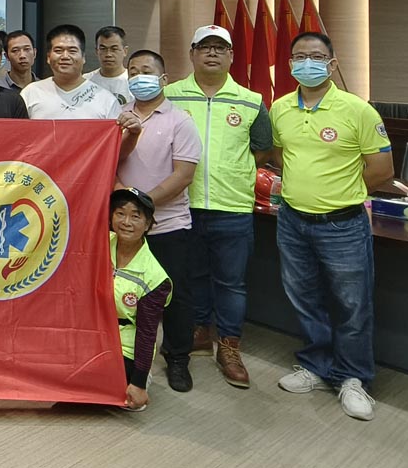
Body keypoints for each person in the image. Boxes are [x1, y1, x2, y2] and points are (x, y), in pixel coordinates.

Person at [271, 31, 393, 422]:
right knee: (304, 298)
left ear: (332, 64)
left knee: (351, 304)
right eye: (299, 56)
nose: (307, 63)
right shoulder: (280, 108)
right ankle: (316, 365)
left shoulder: (358, 110)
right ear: (290, 64)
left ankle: (353, 378)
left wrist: (339, 193)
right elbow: (281, 156)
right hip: (292, 221)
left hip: (343, 224)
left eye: (316, 56)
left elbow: (382, 170)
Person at [164, 24, 271, 387]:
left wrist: (231, 173)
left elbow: (262, 150)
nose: (212, 53)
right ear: (192, 54)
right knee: (189, 276)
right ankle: (198, 331)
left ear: (231, 56)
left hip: (233, 206)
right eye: (204, 47)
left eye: (219, 48)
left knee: (232, 283)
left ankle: (229, 345)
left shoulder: (251, 100)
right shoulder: (170, 95)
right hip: (182, 204)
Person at [117, 50, 201, 393]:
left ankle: (178, 358)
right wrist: (125, 207)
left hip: (168, 224)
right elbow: (107, 162)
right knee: (121, 292)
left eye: (147, 71)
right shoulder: (119, 116)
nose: (140, 77)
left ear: (164, 79)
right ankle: (123, 355)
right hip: (122, 226)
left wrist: (143, 206)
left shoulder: (180, 120)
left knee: (174, 295)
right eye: (133, 71)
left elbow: (183, 175)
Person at [110, 187, 172, 413]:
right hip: (92, 334)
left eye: (135, 216)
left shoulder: (155, 278)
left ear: (147, 224)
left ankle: (141, 377)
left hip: (124, 345)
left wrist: (138, 383)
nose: (126, 222)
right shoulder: (98, 244)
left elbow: (147, 333)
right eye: (120, 213)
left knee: (112, 389)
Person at [20, 25, 122, 120]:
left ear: (83, 57)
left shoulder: (106, 99)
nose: (65, 56)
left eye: (72, 51)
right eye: (58, 50)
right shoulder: (30, 93)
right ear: (48, 57)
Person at [86, 25, 131, 105]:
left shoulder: (133, 81)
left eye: (114, 49)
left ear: (125, 51)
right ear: (97, 51)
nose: (108, 54)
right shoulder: (86, 80)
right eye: (103, 49)